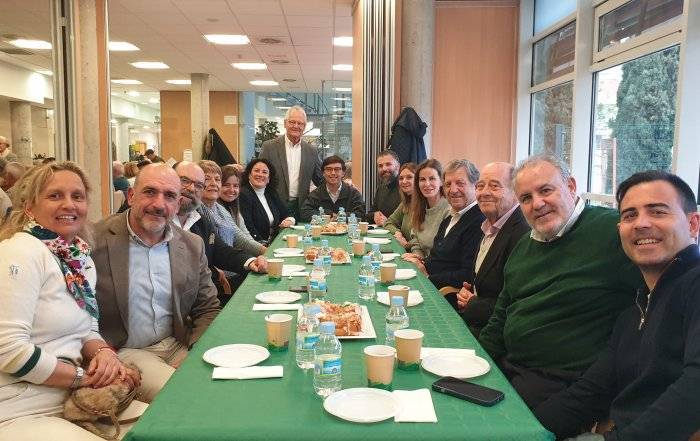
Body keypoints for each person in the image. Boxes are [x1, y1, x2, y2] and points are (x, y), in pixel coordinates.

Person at [535, 171, 700, 441]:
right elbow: (590, 391)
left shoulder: (695, 285)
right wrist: (524, 429)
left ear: (693, 224)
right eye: (629, 215)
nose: (641, 224)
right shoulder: (635, 308)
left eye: (657, 212)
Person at [478, 154, 642, 409]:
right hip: (511, 369)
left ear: (572, 186)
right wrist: (476, 361)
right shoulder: (524, 245)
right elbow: (501, 315)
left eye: (546, 190)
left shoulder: (614, 232)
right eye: (526, 198)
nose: (537, 204)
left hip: (565, 384)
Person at [0, 162, 139, 439]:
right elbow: (9, 351)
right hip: (20, 406)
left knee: (163, 427)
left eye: (77, 196)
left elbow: (87, 328)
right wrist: (81, 377)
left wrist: (104, 354)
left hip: (76, 398)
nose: (69, 205)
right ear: (29, 207)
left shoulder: (79, 257)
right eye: (55, 196)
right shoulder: (19, 252)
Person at [92, 163, 220, 402]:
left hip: (178, 343)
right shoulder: (93, 241)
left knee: (228, 387)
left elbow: (208, 307)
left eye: (170, 196)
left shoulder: (191, 244)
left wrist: (195, 351)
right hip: (126, 350)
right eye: (150, 192)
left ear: (178, 203)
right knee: (186, 398)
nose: (159, 204)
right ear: (131, 196)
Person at [456, 162, 530, 337]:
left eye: (495, 186)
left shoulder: (523, 233)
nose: (484, 192)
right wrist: (471, 289)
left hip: (495, 336)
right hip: (475, 322)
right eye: (480, 186)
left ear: (515, 192)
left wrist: (473, 303)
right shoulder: (489, 226)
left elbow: (517, 305)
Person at [173, 161, 267, 275]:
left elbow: (221, 250)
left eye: (217, 179)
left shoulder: (201, 218)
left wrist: (251, 261)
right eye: (185, 181)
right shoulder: (160, 218)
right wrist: (215, 273)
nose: (192, 188)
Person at [404, 160, 485, 290]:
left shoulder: (479, 221)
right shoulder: (451, 218)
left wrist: (428, 277)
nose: (453, 190)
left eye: (460, 183)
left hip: (445, 295)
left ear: (475, 185)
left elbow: (468, 274)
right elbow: (438, 258)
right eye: (448, 184)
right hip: (430, 283)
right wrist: (421, 261)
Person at [259, 105, 323, 217]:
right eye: (292, 122)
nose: (296, 126)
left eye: (300, 123)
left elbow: (320, 180)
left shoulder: (311, 151)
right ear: (285, 123)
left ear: (305, 126)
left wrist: (342, 186)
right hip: (274, 206)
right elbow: (259, 176)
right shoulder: (269, 147)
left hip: (301, 208)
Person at [239, 158, 295, 245]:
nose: (260, 174)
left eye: (264, 172)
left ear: (269, 178)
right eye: (256, 171)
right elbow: (248, 226)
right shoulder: (243, 194)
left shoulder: (270, 193)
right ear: (249, 175)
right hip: (256, 245)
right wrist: (263, 246)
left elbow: (287, 213)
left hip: (274, 242)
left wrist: (290, 220)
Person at [403, 159, 450, 258]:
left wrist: (423, 263)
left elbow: (443, 251)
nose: (427, 184)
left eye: (432, 178)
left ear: (441, 181)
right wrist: (418, 258)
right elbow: (415, 241)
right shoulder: (419, 207)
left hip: (436, 268)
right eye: (422, 179)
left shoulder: (449, 210)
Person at [300, 155, 366, 222]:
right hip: (322, 231)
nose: (333, 173)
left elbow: (361, 214)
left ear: (343, 173)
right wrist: (329, 215)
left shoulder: (353, 193)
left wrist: (339, 217)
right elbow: (305, 213)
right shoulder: (316, 194)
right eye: (329, 169)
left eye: (337, 169)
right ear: (323, 173)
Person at [385, 162, 417, 250]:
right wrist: (397, 233)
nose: (404, 181)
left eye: (409, 177)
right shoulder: (406, 203)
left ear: (418, 180)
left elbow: (423, 240)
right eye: (401, 178)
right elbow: (388, 222)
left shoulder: (426, 205)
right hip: (406, 250)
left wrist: (406, 244)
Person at [367, 150, 401, 226]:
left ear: (398, 166)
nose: (384, 169)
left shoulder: (406, 188)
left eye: (388, 164)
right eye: (380, 166)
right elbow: (370, 213)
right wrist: (374, 215)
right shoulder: (381, 188)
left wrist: (388, 222)